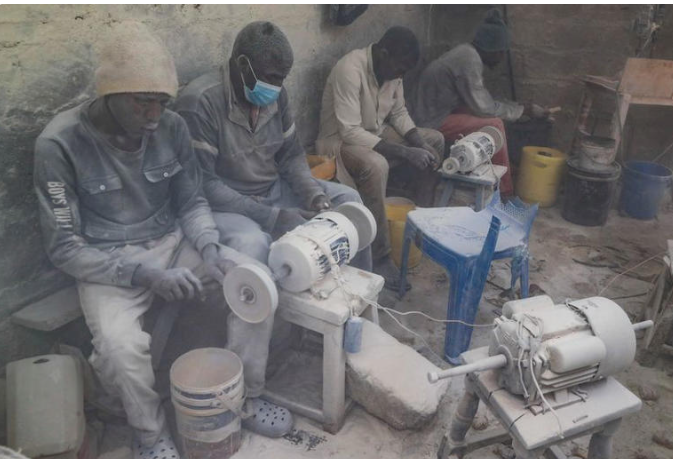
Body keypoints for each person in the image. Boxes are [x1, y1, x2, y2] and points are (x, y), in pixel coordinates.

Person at [33, 22, 292, 458]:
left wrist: (209, 251)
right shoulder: (59, 144)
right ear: (109, 93)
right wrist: (143, 274)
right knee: (120, 346)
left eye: (161, 103)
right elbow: (64, 248)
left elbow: (191, 202)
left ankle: (246, 396)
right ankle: (150, 435)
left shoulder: (170, 127)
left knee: (253, 281)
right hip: (107, 264)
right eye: (143, 104)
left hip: (173, 242)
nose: (154, 116)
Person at [175, 21, 371, 272]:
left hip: (272, 189)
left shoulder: (277, 95)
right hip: (226, 203)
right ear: (243, 64)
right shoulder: (200, 102)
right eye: (272, 78)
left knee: (347, 200)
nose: (277, 87)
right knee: (252, 242)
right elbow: (205, 184)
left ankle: (359, 291)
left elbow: (290, 154)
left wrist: (313, 194)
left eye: (282, 79)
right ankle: (274, 308)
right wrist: (273, 217)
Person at [315, 26, 445, 290]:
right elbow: (350, 131)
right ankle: (381, 256)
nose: (402, 75)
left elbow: (398, 113)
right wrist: (406, 152)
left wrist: (419, 144)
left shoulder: (393, 71)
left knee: (435, 140)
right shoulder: (349, 69)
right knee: (377, 165)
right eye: (400, 69)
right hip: (339, 142)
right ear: (383, 53)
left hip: (375, 133)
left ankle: (422, 225)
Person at [410, 8, 548, 196]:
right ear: (491, 49)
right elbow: (485, 108)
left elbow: (482, 99)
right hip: (430, 120)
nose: (501, 58)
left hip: (437, 112)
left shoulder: (467, 53)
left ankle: (499, 168)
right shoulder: (469, 59)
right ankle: (504, 189)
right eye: (501, 52)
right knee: (495, 124)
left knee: (484, 117)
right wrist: (523, 111)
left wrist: (517, 107)